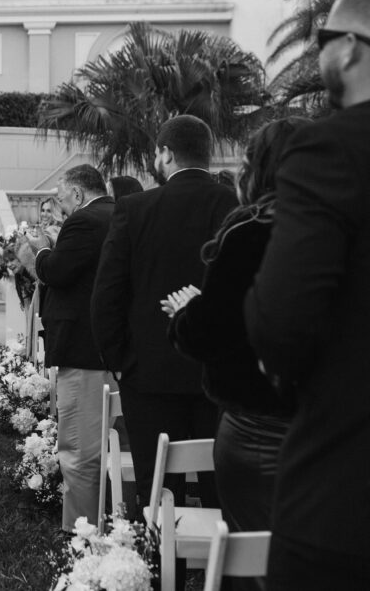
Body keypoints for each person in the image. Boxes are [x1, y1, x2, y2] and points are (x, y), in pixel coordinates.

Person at [245, 0, 370, 590]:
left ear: (349, 47)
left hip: (346, 496)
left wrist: (279, 363)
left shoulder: (330, 150)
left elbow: (281, 320)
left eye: (321, 38)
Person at [163, 119, 307, 590]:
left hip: (259, 429)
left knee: (255, 561)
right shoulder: (345, 230)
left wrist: (187, 312)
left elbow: (208, 334)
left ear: (260, 169)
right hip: (332, 428)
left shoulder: (251, 233)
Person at [91, 115, 237, 515]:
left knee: (156, 494)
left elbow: (107, 295)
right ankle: (217, 567)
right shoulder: (234, 207)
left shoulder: (134, 208)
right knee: (220, 493)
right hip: (219, 376)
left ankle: (159, 570)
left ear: (166, 154)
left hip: (148, 376)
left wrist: (121, 361)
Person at [21, 165, 115, 530]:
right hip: (110, 347)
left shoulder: (84, 221)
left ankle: (79, 531)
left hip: (82, 348)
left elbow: (57, 272)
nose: (60, 207)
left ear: (77, 194)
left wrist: (42, 250)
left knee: (78, 447)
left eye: (61, 199)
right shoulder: (120, 213)